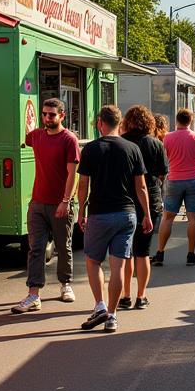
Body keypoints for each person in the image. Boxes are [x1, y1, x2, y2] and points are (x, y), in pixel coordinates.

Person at [76, 105, 153, 334]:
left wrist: (81, 211)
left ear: (100, 122)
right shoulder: (132, 148)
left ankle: (99, 304)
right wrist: (146, 214)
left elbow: (83, 185)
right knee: (118, 266)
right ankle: (112, 315)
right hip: (127, 214)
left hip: (99, 213)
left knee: (93, 261)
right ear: (120, 123)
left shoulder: (90, 149)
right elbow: (141, 186)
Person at [12, 97, 79, 314]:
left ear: (62, 116)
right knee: (36, 249)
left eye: (51, 114)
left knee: (63, 246)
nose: (47, 118)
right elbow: (26, 132)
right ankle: (33, 295)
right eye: (44, 114)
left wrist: (65, 201)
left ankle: (65, 285)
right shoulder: (37, 135)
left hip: (60, 204)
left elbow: (72, 174)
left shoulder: (69, 139)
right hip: (38, 203)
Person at [120, 104, 169, 309]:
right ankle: (141, 296)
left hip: (125, 200)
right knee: (143, 251)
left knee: (126, 252)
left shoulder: (121, 143)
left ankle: (125, 295)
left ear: (127, 122)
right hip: (150, 200)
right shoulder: (155, 144)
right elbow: (162, 172)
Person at [153, 108, 195, 266]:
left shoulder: (167, 138)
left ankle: (159, 253)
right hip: (194, 180)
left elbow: (162, 160)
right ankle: (190, 254)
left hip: (174, 180)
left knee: (168, 217)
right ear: (191, 121)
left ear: (177, 120)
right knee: (192, 218)